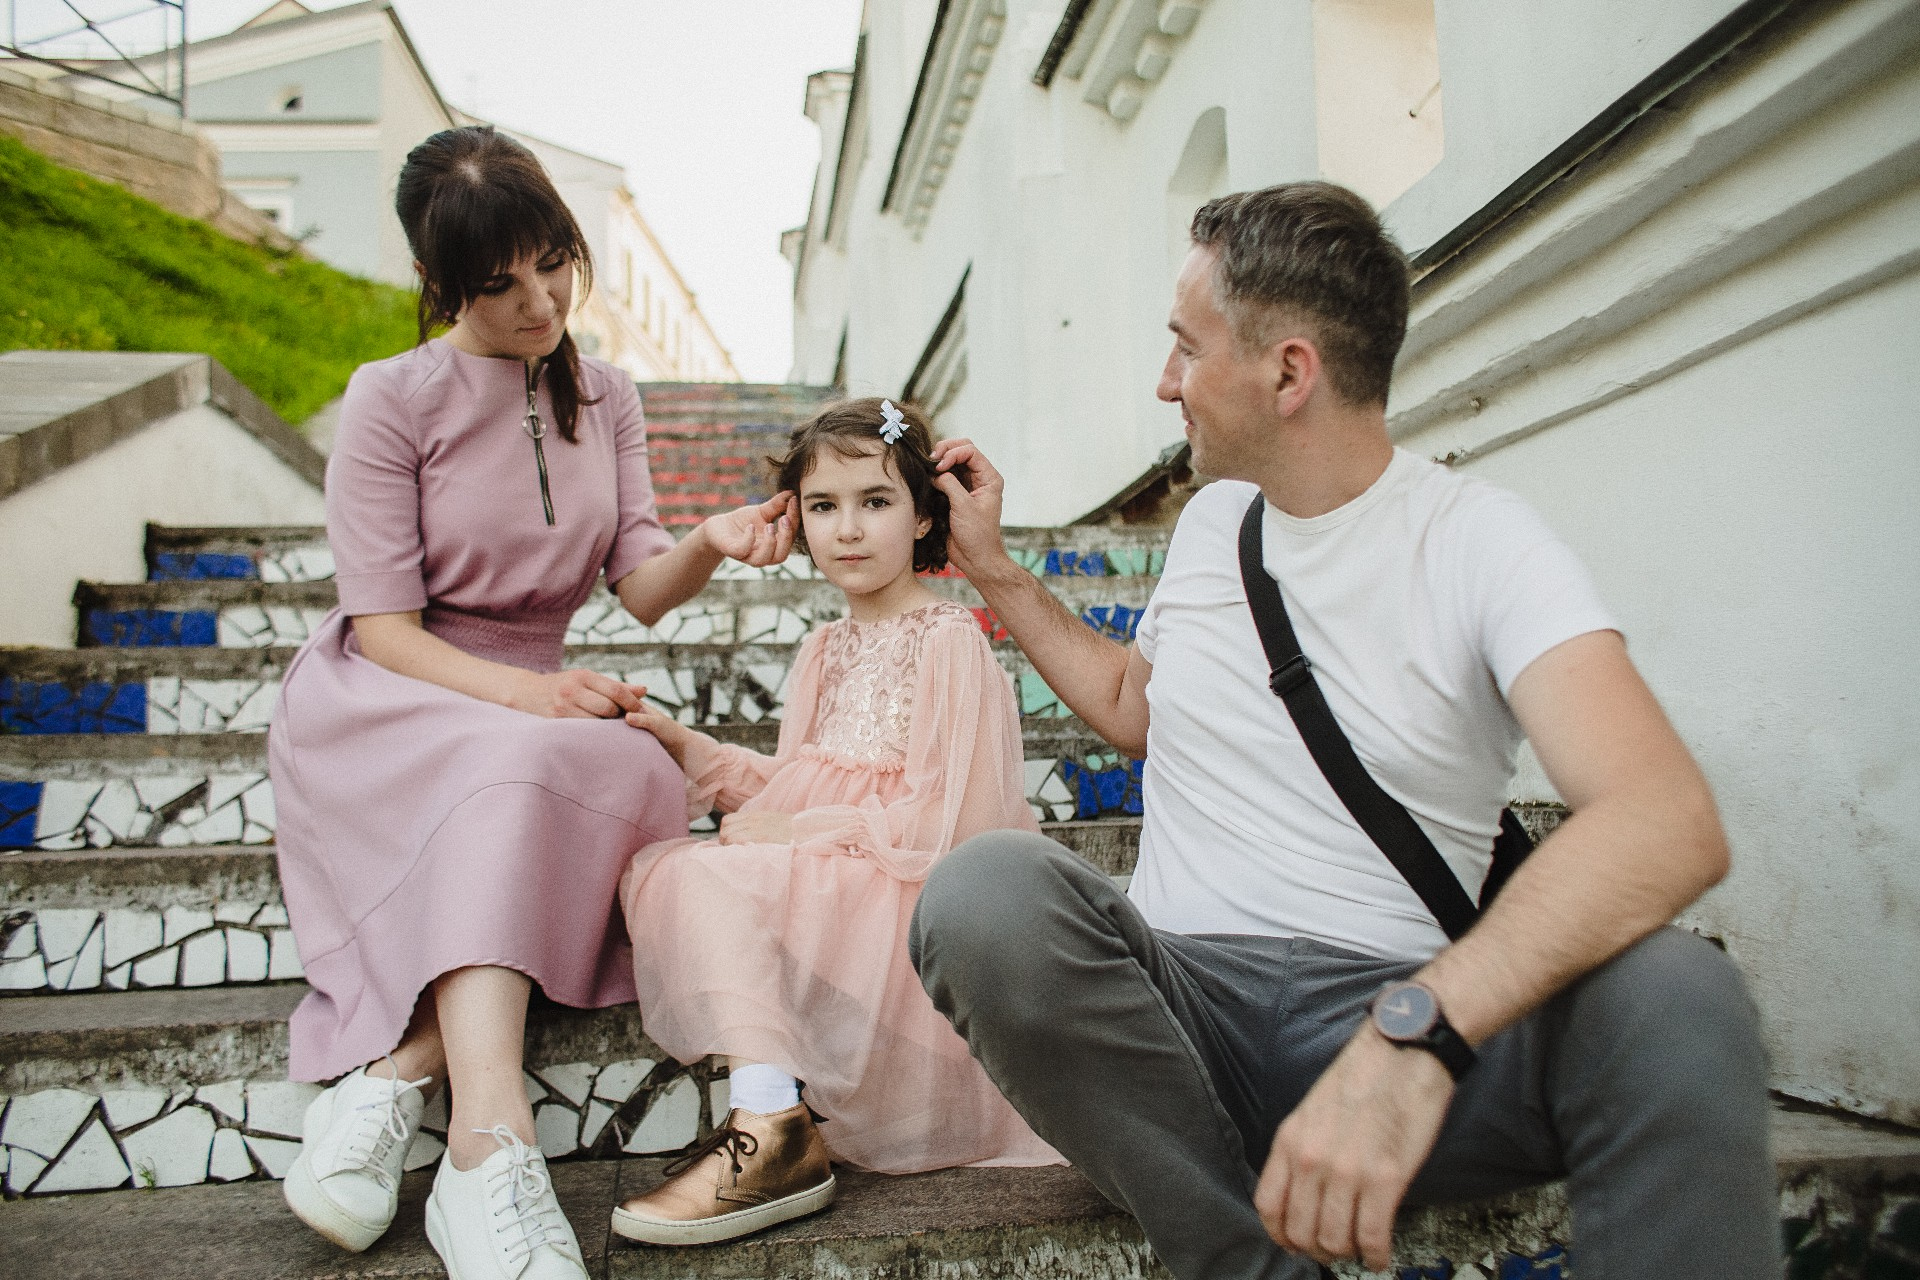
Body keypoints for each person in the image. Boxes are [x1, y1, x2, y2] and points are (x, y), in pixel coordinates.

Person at [908, 182, 1778, 1279]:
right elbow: (1139, 708)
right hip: (1180, 1034)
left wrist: (1416, 1031)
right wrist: (990, 566)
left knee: (1680, 990)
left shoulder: (1482, 542)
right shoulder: (1215, 520)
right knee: (985, 894)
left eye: (1186, 347)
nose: (1165, 381)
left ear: (1288, 372)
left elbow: (1667, 820)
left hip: (1405, 1023)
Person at [266, 125, 796, 1280]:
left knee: (641, 769)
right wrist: (529, 694)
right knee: (515, 767)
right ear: (440, 283)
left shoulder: (606, 395)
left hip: (532, 696)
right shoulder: (387, 397)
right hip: (395, 688)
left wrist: (710, 537)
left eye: (551, 261)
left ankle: (398, 1073)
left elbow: (642, 588)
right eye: (498, 284)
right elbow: (383, 627)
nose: (540, 300)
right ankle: (488, 1145)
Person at [607, 398, 1058, 1248]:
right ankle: (771, 1109)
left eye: (875, 502)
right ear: (799, 520)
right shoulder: (822, 647)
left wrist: (794, 837)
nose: (848, 529)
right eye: (824, 506)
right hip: (844, 867)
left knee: (712, 871)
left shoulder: (948, 640)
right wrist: (680, 741)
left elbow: (943, 820)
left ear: (925, 513)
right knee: (674, 867)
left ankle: (771, 1121)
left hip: (908, 892)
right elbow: (793, 785)